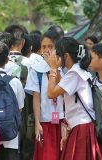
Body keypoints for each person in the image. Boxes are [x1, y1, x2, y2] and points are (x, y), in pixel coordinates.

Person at [47, 37, 102, 160]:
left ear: (66, 56)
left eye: (57, 54)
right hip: (82, 125)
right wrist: (55, 69)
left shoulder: (74, 73)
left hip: (81, 128)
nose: (55, 56)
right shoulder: (78, 70)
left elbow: (51, 93)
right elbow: (62, 91)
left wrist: (52, 68)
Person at [25, 30, 65, 160]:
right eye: (43, 47)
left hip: (62, 120)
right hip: (44, 121)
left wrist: (54, 67)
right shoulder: (36, 69)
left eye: (50, 46)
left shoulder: (63, 67)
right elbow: (36, 98)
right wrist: (37, 122)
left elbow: (63, 89)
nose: (47, 50)